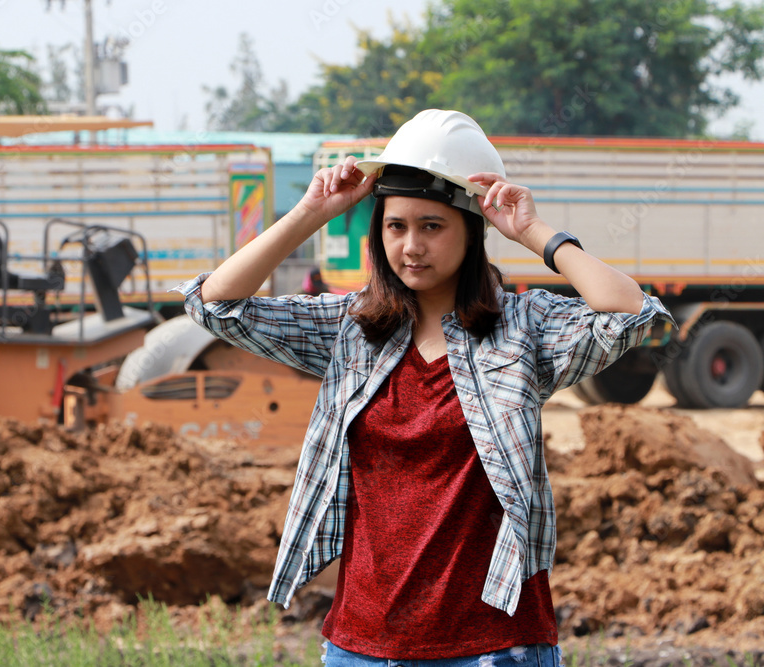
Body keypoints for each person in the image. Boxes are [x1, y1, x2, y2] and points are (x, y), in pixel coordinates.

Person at [174, 110, 673, 665]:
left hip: (492, 646)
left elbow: (633, 314)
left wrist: (533, 232)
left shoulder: (522, 330)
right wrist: (311, 213)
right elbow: (215, 306)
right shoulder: (351, 329)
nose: (411, 246)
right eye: (396, 226)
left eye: (432, 227)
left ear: (471, 232)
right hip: (362, 646)